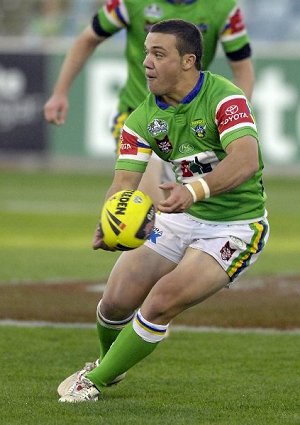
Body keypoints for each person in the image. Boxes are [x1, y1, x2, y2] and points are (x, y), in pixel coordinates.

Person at [58, 19, 269, 403]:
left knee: (160, 302)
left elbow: (246, 160)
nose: (147, 64)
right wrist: (110, 220)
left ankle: (92, 382)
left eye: (158, 54)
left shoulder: (225, 98)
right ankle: (111, 364)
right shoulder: (141, 118)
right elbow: (124, 181)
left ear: (188, 61)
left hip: (234, 226)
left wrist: (195, 190)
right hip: (179, 217)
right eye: (145, 54)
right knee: (115, 300)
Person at [44, 0, 255, 205]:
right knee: (146, 203)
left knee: (189, 211)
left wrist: (234, 122)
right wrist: (60, 92)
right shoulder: (130, 3)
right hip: (139, 117)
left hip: (191, 123)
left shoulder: (223, 7)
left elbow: (242, 68)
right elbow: (88, 38)